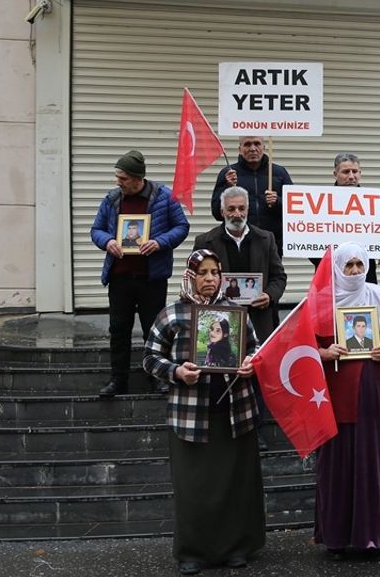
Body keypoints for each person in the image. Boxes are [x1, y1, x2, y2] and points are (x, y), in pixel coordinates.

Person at [142, 249, 263, 575]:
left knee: (235, 485)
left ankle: (236, 548)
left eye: (215, 273)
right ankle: (192, 552)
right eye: (203, 273)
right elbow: (150, 359)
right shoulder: (171, 315)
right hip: (191, 416)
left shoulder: (235, 313)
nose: (210, 279)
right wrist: (178, 372)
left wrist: (250, 365)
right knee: (194, 488)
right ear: (190, 276)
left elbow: (253, 350)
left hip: (234, 412)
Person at [314, 243, 380, 558]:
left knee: (374, 462)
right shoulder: (320, 303)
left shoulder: (379, 299)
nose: (354, 271)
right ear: (337, 267)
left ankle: (375, 536)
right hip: (339, 397)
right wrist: (324, 353)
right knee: (339, 466)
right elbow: (302, 347)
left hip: (375, 394)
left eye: (359, 264)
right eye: (348, 265)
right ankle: (338, 538)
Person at [90, 150, 189, 397]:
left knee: (153, 330)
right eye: (118, 177)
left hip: (151, 277)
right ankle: (118, 380)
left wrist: (160, 242)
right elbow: (96, 229)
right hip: (120, 277)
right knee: (118, 329)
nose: (118, 182)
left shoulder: (165, 197)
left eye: (123, 178)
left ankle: (158, 377)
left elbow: (182, 226)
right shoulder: (112, 199)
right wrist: (108, 241)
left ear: (137, 178)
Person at [193, 186, 287, 343]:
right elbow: (194, 278)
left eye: (241, 208)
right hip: (219, 318)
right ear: (222, 211)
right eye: (231, 209)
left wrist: (269, 295)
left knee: (258, 365)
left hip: (259, 320)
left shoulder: (266, 239)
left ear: (248, 209)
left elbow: (279, 277)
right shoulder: (204, 241)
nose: (237, 214)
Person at [308, 153, 380, 283]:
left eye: (355, 172)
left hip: (365, 278)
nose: (351, 176)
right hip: (330, 277)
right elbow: (308, 243)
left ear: (360, 173)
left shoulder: (374, 202)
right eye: (345, 172)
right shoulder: (321, 202)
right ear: (335, 174)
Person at [209, 135, 293, 253]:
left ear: (264, 147)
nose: (253, 148)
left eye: (257, 144)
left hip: (273, 244)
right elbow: (217, 213)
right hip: (238, 242)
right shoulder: (229, 174)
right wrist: (227, 187)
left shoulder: (279, 173)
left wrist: (278, 201)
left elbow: (294, 210)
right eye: (247, 144)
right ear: (240, 149)